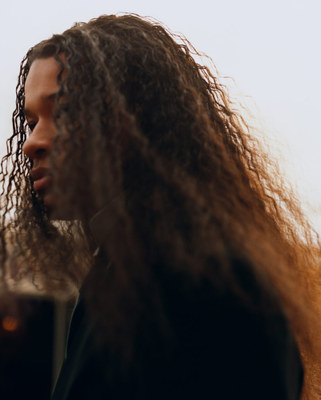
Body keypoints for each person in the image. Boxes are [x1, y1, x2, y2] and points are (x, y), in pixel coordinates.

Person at [0, 13, 318, 399]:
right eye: (31, 122)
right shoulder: (122, 271)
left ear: (136, 118)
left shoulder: (211, 280)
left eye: (63, 112)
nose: (33, 142)